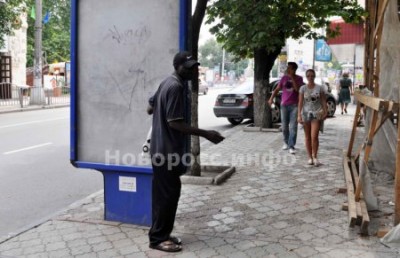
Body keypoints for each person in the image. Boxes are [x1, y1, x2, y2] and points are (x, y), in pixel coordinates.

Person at [146, 51, 224, 253]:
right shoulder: (175, 86)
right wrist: (206, 133)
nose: (192, 70)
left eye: (195, 66)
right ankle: (157, 239)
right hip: (166, 152)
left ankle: (161, 232)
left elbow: (149, 107)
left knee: (165, 195)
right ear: (178, 66)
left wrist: (160, 111)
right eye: (188, 67)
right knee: (168, 195)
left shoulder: (166, 83)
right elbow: (175, 123)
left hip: (161, 149)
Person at [268, 62, 304, 154]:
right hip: (284, 105)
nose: (288, 69)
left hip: (294, 105)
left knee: (293, 127)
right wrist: (271, 98)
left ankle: (291, 146)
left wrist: (292, 77)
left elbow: (297, 89)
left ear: (294, 69)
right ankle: (286, 142)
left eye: (290, 68)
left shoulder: (299, 78)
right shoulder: (284, 78)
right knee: (284, 126)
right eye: (288, 68)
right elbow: (277, 89)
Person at [298, 69, 328, 166]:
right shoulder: (303, 88)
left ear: (314, 76)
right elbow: (300, 102)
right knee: (307, 137)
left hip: (317, 113)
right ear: (306, 77)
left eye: (312, 76)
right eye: (308, 76)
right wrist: (299, 115)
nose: (310, 77)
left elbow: (323, 100)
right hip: (306, 114)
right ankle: (309, 157)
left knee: (314, 136)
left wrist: (325, 111)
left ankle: (315, 156)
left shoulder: (320, 88)